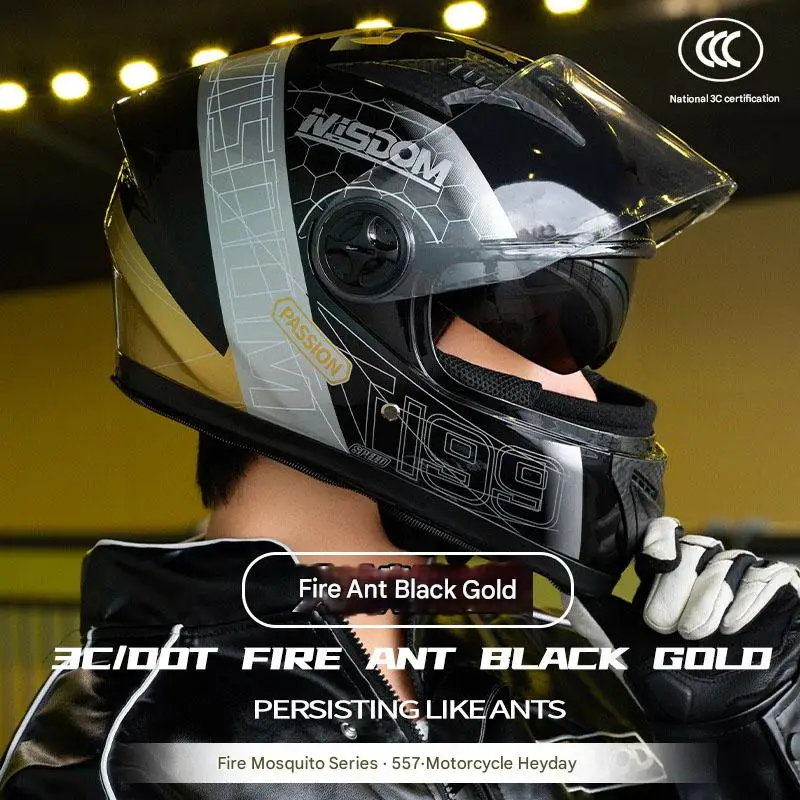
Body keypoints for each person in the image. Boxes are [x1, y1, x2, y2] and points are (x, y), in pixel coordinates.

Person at [3, 27, 800, 800]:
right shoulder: (129, 764)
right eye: (545, 326)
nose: (585, 393)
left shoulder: (511, 667)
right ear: (328, 309)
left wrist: (739, 749)